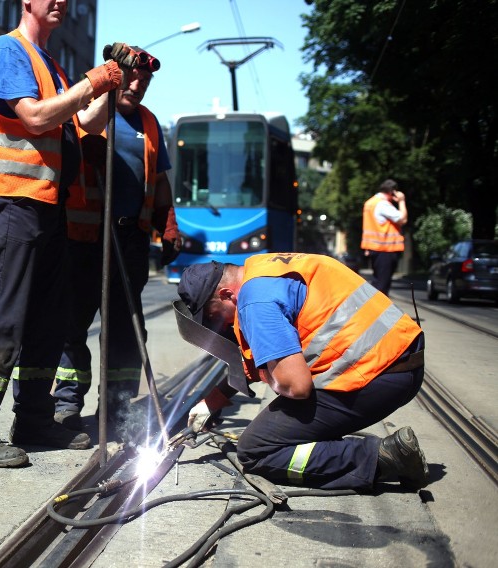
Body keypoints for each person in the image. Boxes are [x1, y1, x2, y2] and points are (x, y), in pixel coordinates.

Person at [0, 0, 132, 468]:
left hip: (50, 205)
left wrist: (115, 85)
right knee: (1, 316)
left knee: (48, 319)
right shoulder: (8, 52)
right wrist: (94, 81)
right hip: (15, 200)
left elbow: (83, 121)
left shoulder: (52, 65)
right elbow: (33, 117)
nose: (61, 3)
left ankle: (33, 418)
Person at [177, 253, 429, 491]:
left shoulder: (253, 301)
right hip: (401, 359)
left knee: (256, 448)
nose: (221, 326)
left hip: (376, 376)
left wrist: (271, 375)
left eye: (213, 317)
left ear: (227, 295)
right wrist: (214, 400)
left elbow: (296, 387)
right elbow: (265, 355)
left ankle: (385, 457)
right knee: (277, 426)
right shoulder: (265, 269)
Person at [53, 49, 181, 432]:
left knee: (126, 328)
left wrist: (168, 223)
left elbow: (158, 181)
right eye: (131, 77)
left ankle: (117, 408)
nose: (138, 86)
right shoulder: (90, 110)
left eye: (145, 81)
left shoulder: (149, 123)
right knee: (73, 324)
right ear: (115, 76)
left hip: (130, 239)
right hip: (83, 238)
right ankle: (66, 404)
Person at [361, 178, 407, 295]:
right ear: (392, 192)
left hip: (375, 248)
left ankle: (372, 310)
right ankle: (375, 311)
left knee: (378, 283)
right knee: (382, 286)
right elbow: (403, 219)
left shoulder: (370, 203)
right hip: (386, 250)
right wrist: (401, 201)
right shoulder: (383, 205)